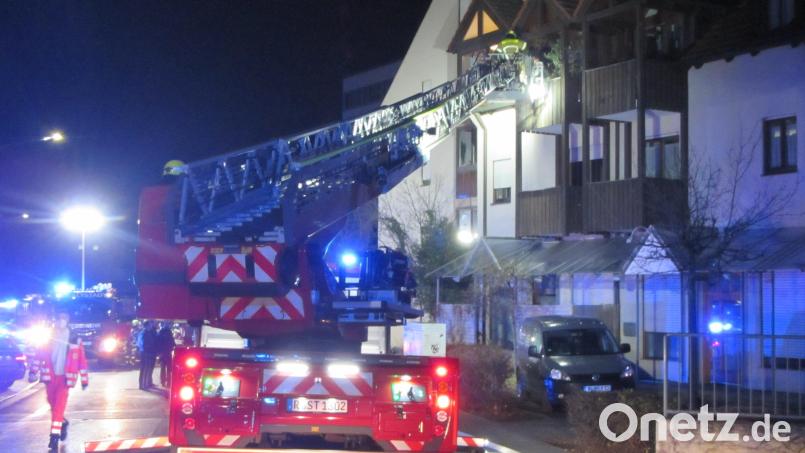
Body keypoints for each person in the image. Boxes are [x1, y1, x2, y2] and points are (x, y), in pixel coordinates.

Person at [29, 312, 88, 450]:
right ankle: (63, 423)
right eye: (59, 318)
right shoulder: (48, 338)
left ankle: (54, 437)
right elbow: (39, 356)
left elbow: (81, 361)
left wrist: (84, 380)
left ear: (67, 321)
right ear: (55, 320)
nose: (61, 320)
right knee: (53, 405)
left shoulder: (75, 339)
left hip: (65, 379)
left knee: (58, 408)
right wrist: (33, 371)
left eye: (64, 318)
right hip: (50, 378)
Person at [138, 321, 158, 389]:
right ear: (146, 326)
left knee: (148, 368)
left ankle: (146, 383)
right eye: (150, 325)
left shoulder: (149, 332)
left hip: (149, 352)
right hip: (145, 353)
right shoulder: (144, 333)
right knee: (144, 369)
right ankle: (142, 385)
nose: (151, 326)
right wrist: (148, 348)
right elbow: (143, 344)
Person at [156, 322, 175, 387]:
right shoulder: (168, 332)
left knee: (163, 368)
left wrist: (159, 353)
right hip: (167, 353)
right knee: (168, 369)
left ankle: (163, 381)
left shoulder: (161, 332)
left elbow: (158, 343)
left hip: (163, 353)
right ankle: (168, 382)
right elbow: (172, 343)